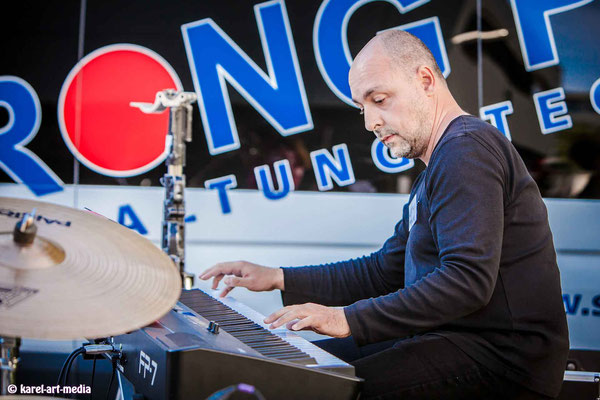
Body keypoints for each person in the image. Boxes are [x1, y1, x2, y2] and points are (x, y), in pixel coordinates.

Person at [200, 30, 569, 400]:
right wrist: (278, 277)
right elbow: (383, 271)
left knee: (309, 389)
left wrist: (345, 318)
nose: (370, 122)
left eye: (379, 99)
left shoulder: (466, 152)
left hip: (500, 364)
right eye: (363, 108)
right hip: (452, 342)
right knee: (294, 371)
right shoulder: (440, 163)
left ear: (425, 80)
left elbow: (466, 281)